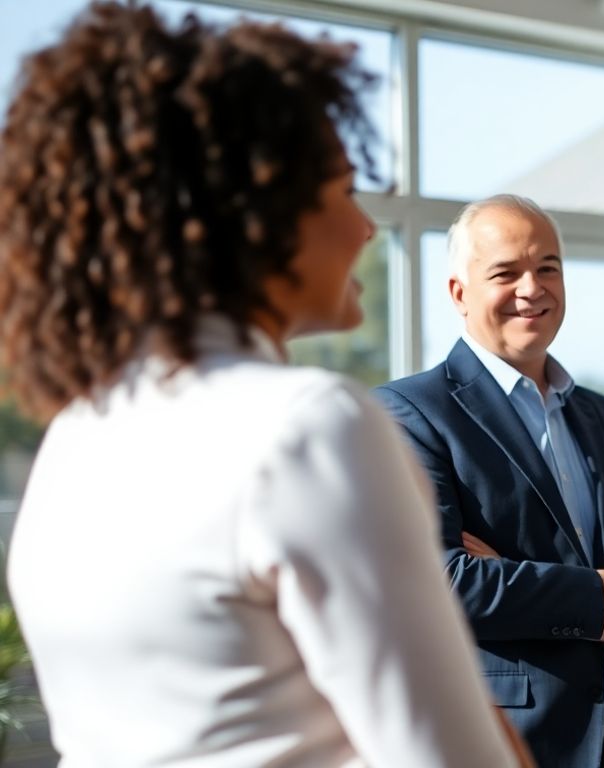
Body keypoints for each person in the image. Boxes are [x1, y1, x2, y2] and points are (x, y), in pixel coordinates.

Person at [0, 5, 528, 765]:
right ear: (261, 209)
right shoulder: (306, 426)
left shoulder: (75, 434)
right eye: (345, 191)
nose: (366, 230)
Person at [373, 194, 604, 768]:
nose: (532, 289)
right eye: (505, 273)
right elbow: (451, 586)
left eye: (547, 268)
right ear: (459, 293)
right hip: (511, 741)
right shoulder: (411, 413)